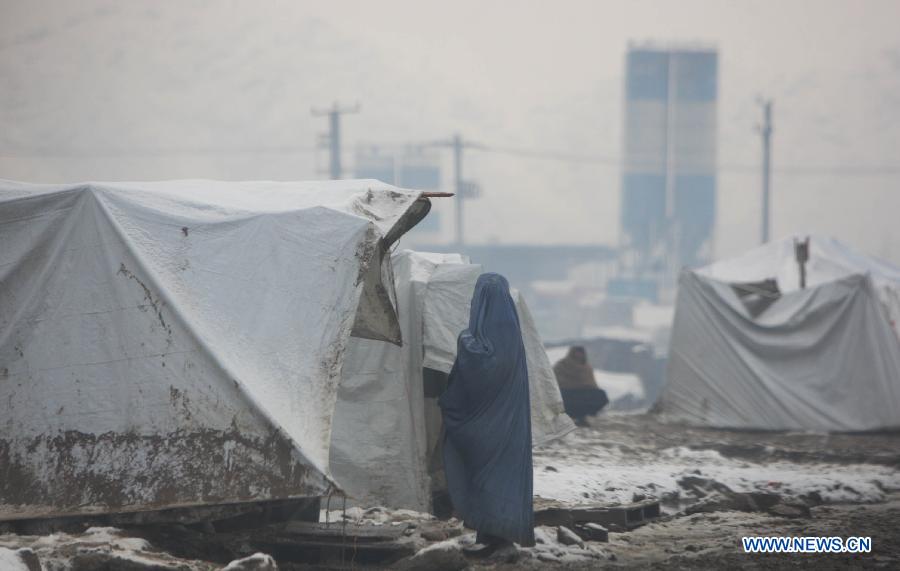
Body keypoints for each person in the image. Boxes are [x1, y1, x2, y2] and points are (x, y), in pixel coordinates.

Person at [438, 273, 535, 548]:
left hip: (487, 428)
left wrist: (463, 341)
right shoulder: (513, 339)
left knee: (486, 479)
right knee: (501, 480)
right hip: (510, 427)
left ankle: (496, 538)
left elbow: (480, 368)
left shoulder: (475, 343)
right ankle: (496, 537)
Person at [553, 346, 608, 424]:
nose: (579, 355)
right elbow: (556, 381)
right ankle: (568, 416)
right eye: (576, 353)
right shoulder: (561, 365)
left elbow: (591, 383)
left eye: (581, 353)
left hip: (583, 394)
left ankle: (582, 416)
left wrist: (586, 387)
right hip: (567, 394)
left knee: (601, 395)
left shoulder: (586, 367)